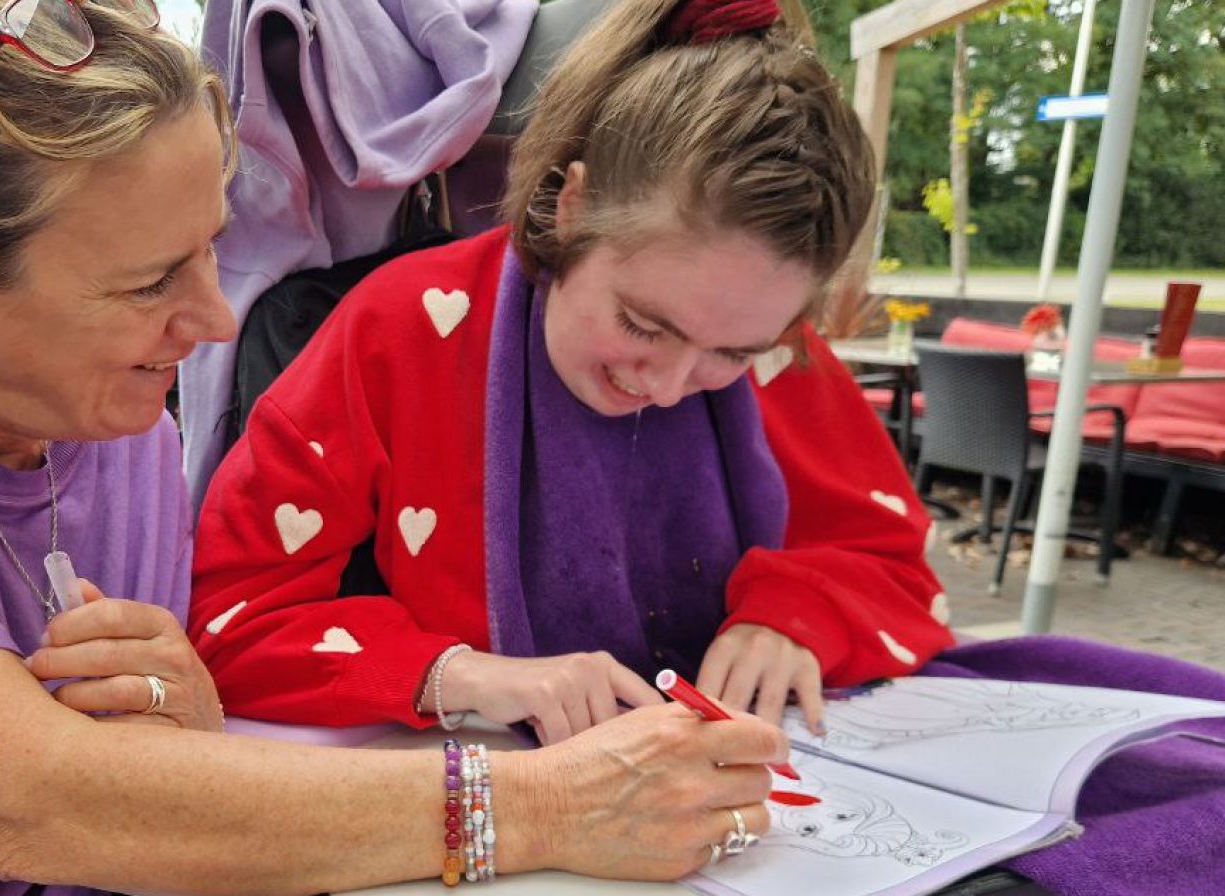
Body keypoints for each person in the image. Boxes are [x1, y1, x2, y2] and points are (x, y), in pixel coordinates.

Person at [0, 0, 790, 892]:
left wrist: (186, 712)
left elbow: (128, 780)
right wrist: (540, 804)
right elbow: (26, 802)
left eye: (212, 246)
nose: (210, 324)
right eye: (153, 280)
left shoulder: (116, 412)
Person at [189, 0, 955, 745]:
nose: (665, 384)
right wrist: (461, 676)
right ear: (573, 206)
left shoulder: (780, 347)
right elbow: (230, 614)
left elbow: (891, 565)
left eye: (732, 355)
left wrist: (792, 619)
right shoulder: (400, 328)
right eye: (643, 325)